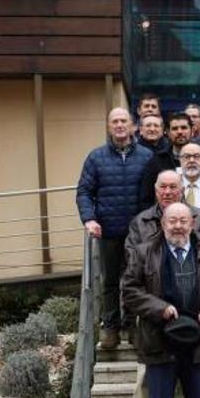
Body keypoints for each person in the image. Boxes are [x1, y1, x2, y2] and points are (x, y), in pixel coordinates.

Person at [122, 202, 200, 398]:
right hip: (159, 343)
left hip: (198, 342)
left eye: (183, 221)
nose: (178, 226)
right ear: (163, 223)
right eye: (172, 221)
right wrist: (160, 309)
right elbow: (129, 290)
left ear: (192, 223)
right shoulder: (143, 252)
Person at [76, 107, 153, 349]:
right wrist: (89, 219)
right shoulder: (95, 157)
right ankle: (110, 327)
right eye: (114, 121)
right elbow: (84, 192)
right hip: (108, 231)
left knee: (135, 280)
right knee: (109, 281)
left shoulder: (147, 156)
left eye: (124, 121)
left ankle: (132, 326)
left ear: (133, 126)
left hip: (139, 233)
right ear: (109, 127)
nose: (120, 125)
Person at [140, 113, 200, 208]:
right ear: (167, 132)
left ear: (192, 130)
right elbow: (146, 199)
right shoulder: (157, 162)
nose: (179, 132)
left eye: (184, 128)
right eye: (175, 129)